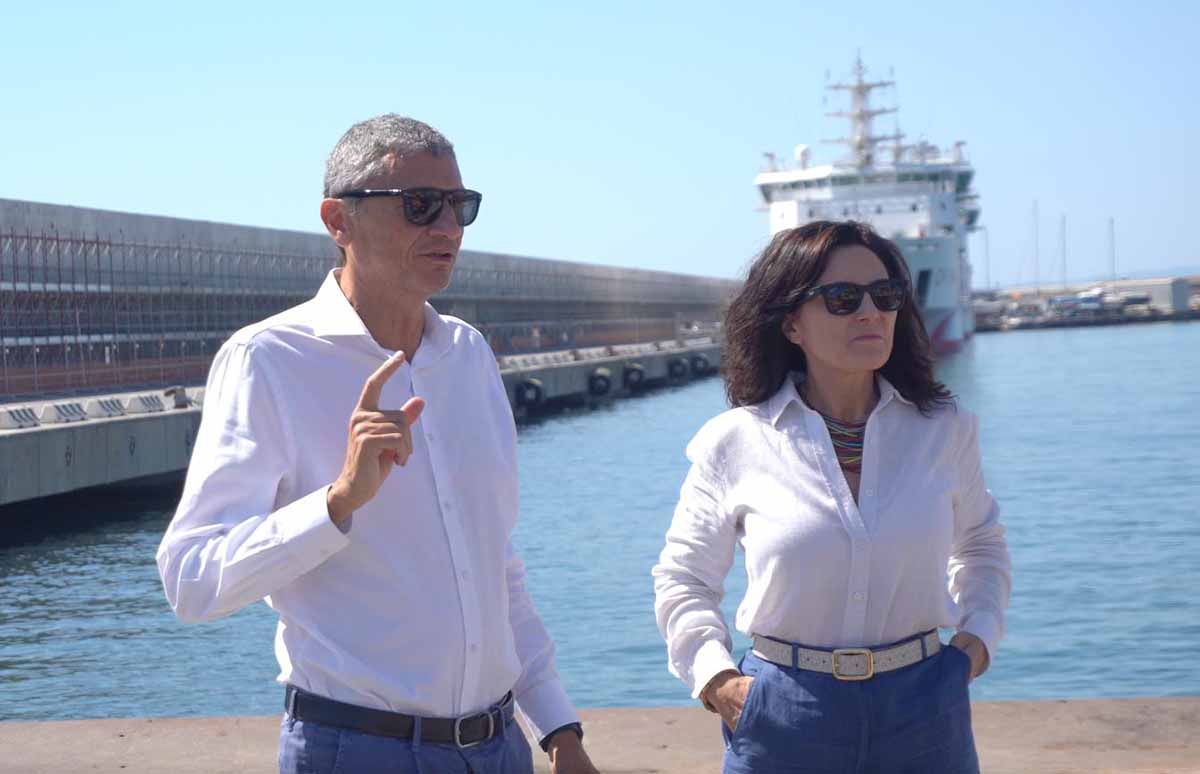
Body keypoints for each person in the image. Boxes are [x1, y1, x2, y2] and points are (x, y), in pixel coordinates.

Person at [157, 114, 599, 774]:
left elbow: (493, 565)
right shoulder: (269, 360)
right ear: (339, 221)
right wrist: (337, 502)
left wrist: (559, 728)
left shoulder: (469, 356)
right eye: (420, 206)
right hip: (359, 750)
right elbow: (191, 581)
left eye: (459, 206)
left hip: (501, 747)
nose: (447, 228)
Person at [652, 221, 1011, 773]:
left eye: (885, 295)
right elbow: (684, 577)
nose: (870, 312)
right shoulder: (735, 441)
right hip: (783, 711)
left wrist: (976, 641)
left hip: (926, 706)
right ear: (791, 322)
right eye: (843, 299)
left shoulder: (946, 430)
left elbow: (982, 546)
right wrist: (718, 681)